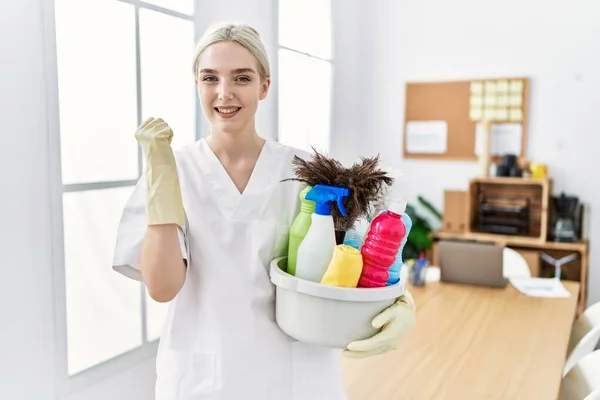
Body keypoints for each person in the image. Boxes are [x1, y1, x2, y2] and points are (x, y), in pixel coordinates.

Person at [112, 22, 416, 400]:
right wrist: (161, 176)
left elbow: (364, 251)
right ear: (197, 84)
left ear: (264, 86)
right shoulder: (170, 172)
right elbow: (162, 287)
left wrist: (402, 301)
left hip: (295, 373)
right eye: (210, 78)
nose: (224, 93)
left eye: (241, 77)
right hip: (204, 376)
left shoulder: (306, 171)